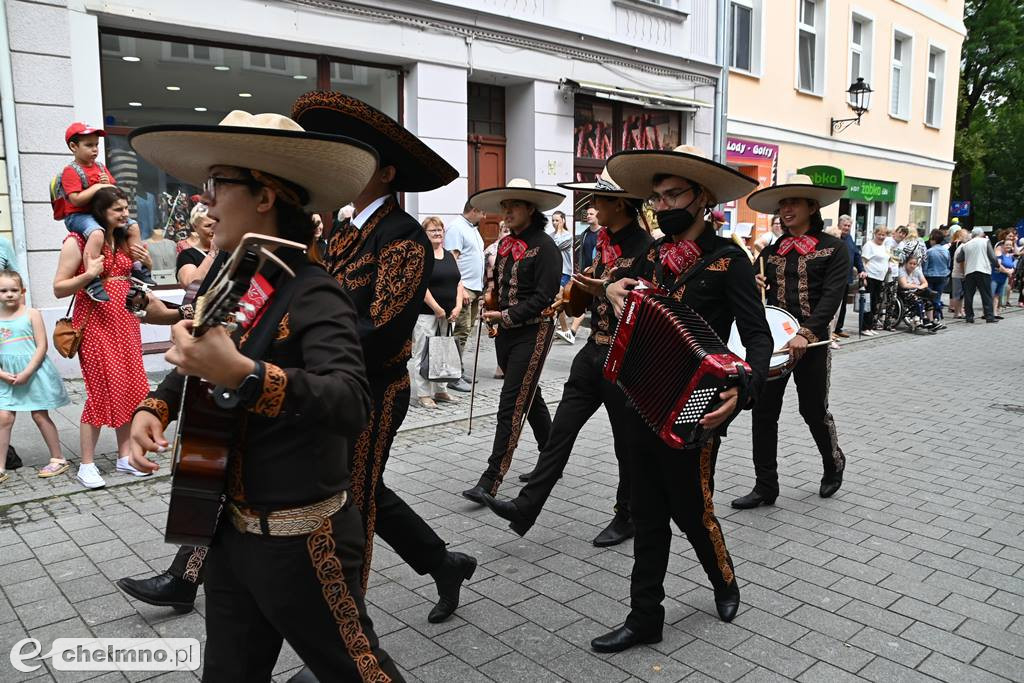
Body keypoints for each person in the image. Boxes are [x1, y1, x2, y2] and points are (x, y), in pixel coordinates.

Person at [121, 109, 407, 682]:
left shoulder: (314, 290)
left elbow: (351, 402)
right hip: (228, 532)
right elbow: (203, 357)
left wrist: (247, 376)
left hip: (303, 545)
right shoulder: (242, 278)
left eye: (219, 185)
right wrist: (155, 407)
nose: (204, 203)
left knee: (360, 673)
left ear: (265, 197)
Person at [293, 90, 476, 626]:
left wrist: (303, 352)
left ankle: (349, 629)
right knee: (357, 488)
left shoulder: (403, 236)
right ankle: (443, 562)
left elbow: (379, 328)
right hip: (336, 384)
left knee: (356, 504)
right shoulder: (344, 233)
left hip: (373, 390)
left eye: (361, 159)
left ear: (387, 172)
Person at [590, 145, 771, 653]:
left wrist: (743, 387)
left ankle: (723, 578)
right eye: (658, 197)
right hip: (638, 399)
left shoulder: (730, 260)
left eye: (674, 195)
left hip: (698, 405)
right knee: (647, 512)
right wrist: (608, 291)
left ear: (702, 198)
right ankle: (645, 616)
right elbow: (619, 290)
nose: (662, 205)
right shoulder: (650, 256)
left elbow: (757, 336)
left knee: (691, 509)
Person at [479, 170, 653, 548]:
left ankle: (627, 516)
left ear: (620, 203)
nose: (591, 208)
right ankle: (526, 507)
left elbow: (648, 307)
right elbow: (584, 299)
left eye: (598, 201)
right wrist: (581, 291)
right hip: (591, 352)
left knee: (626, 444)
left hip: (625, 359)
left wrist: (602, 289)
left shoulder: (646, 248)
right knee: (559, 434)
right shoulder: (600, 243)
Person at [732, 173, 850, 510]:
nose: (786, 209)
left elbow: (832, 297)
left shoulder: (834, 248)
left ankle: (833, 464)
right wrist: (753, 284)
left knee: (812, 410)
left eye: (793, 202)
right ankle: (764, 486)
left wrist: (806, 333)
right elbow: (758, 300)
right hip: (773, 345)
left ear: (812, 206)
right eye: (782, 203)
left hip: (811, 346)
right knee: (763, 413)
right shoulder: (769, 252)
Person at [460, 178, 562, 507]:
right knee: (530, 396)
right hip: (505, 333)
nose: (506, 213)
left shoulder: (545, 247)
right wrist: (493, 312)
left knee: (512, 404)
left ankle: (490, 480)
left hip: (533, 331)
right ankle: (552, 461)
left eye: (512, 206)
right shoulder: (504, 245)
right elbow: (499, 289)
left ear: (530, 209)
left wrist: (503, 317)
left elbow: (545, 296)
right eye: (504, 207)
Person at [53, 186, 152, 489]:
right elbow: (58, 288)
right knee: (101, 392)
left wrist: (145, 263)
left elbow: (133, 277)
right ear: (100, 211)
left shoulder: (122, 237)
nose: (125, 215)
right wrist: (87, 274)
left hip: (125, 322)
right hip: (95, 323)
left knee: (130, 388)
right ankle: (86, 465)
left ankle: (124, 456)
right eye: (118, 210)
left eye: (126, 208)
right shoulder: (78, 240)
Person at [56, 122, 155, 302]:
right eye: (89, 145)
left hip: (97, 213)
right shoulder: (71, 171)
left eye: (96, 145)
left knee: (133, 226)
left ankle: (137, 267)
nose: (95, 149)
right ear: (73, 146)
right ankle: (92, 279)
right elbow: (76, 199)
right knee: (96, 233)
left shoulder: (100, 167)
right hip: (78, 215)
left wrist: (104, 184)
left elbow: (111, 190)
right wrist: (98, 186)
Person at [0, 270, 70, 482]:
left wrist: (28, 371)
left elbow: (42, 346)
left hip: (33, 373)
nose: (9, 294)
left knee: (39, 415)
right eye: (3, 291)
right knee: (4, 417)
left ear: (22, 291)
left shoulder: (32, 314)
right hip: (6, 376)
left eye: (14, 290)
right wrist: (2, 374)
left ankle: (58, 458)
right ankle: (0, 466)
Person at [410, 216, 463, 408]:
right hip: (427, 313)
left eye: (440, 230)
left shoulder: (449, 255)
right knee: (424, 353)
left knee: (443, 353)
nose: (438, 233)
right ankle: (424, 394)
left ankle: (441, 391)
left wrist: (457, 306)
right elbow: (421, 286)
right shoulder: (422, 255)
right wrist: (437, 308)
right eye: (433, 230)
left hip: (449, 314)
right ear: (424, 234)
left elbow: (458, 282)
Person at [443, 201, 486, 392]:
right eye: (482, 212)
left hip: (474, 288)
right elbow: (452, 261)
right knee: (460, 331)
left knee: (466, 331)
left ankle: (458, 369)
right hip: (465, 288)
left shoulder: (472, 228)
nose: (485, 217)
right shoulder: (456, 228)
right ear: (474, 210)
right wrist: (460, 290)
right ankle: (451, 375)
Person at [570, 207, 602, 338]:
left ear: (597, 215)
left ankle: (574, 330)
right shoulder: (585, 234)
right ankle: (573, 331)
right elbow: (582, 254)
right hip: (586, 273)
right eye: (587, 214)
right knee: (585, 301)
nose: (588, 216)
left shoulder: (603, 233)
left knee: (597, 302)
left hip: (599, 274)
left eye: (591, 214)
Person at [834, 214, 866, 337]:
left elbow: (857, 255)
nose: (846, 228)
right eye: (844, 225)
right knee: (834, 304)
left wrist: (861, 269)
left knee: (843, 306)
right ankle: (831, 330)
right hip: (836, 277)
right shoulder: (835, 238)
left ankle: (838, 328)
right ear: (839, 225)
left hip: (846, 277)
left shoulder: (849, 238)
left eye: (849, 225)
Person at [957, 227, 998, 324]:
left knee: (969, 295)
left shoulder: (966, 245)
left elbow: (959, 259)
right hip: (983, 270)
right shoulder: (985, 241)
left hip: (969, 271)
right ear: (982, 234)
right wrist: (997, 264)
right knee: (986, 294)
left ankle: (969, 317)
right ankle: (989, 317)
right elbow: (992, 256)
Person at [550, 210, 576, 344]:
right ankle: (561, 330)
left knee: (558, 298)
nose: (554, 223)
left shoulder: (567, 236)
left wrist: (559, 230)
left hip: (564, 271)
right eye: (553, 220)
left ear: (563, 221)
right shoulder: (551, 235)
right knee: (556, 299)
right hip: (553, 271)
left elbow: (556, 246)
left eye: (557, 221)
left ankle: (565, 330)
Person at [175, 203, 216, 288]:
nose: (214, 230)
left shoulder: (230, 251)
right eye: (208, 226)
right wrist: (213, 253)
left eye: (217, 225)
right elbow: (190, 286)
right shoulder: (187, 255)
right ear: (195, 227)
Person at [898, 256, 943, 331]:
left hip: (916, 291)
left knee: (929, 301)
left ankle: (931, 321)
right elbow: (904, 285)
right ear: (906, 263)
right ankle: (923, 320)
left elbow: (925, 283)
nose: (912, 265)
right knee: (918, 300)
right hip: (905, 292)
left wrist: (920, 287)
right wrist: (917, 286)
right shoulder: (901, 271)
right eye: (910, 263)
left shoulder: (917, 270)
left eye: (914, 264)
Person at [859, 226, 890, 336]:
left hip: (879, 278)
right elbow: (863, 261)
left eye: (884, 235)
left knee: (875, 302)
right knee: (868, 302)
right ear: (875, 234)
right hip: (870, 277)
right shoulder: (869, 245)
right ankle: (864, 327)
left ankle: (870, 326)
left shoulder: (884, 246)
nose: (881, 237)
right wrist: (864, 278)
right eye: (879, 234)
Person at [922, 230, 951, 319]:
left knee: (929, 297)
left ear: (933, 240)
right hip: (943, 276)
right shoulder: (946, 251)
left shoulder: (929, 251)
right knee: (938, 296)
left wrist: (923, 275)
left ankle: (929, 317)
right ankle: (937, 316)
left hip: (930, 276)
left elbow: (925, 266)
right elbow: (948, 263)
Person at [948, 228, 969, 318]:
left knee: (961, 295)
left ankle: (960, 311)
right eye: (966, 236)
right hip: (958, 274)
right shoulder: (962, 247)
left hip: (959, 274)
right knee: (958, 295)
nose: (968, 238)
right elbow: (961, 262)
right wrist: (964, 273)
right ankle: (957, 313)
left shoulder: (962, 247)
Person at [992, 237, 1016, 316]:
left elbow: (1012, 266)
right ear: (1003, 245)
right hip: (995, 277)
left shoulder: (1010, 256)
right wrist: (1007, 272)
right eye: (1007, 245)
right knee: (991, 295)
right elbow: (998, 266)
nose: (1008, 246)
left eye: (1010, 245)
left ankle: (995, 312)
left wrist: (1011, 271)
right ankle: (987, 312)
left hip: (1003, 278)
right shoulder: (999, 254)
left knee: (997, 295)